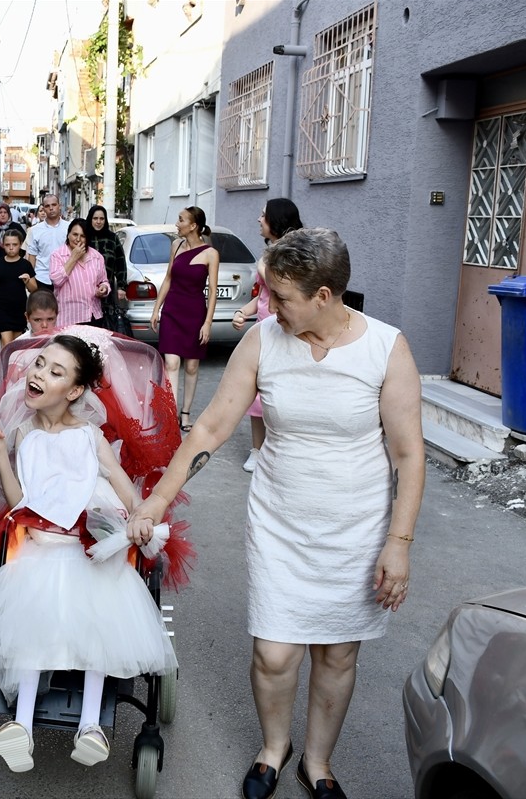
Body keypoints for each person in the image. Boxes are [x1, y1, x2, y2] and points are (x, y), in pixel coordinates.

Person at [128, 228, 424, 799]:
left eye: (280, 296)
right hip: (280, 522)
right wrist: (159, 496)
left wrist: (399, 541)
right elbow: (213, 426)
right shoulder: (264, 340)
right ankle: (273, 748)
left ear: (325, 295)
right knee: (273, 653)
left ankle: (318, 762)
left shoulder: (386, 348)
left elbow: (409, 454)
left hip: (356, 529)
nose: (268, 304)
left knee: (336, 653)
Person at [0, 334, 179, 773]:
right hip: (42, 541)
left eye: (56, 372)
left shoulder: (90, 435)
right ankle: (20, 726)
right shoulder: (22, 433)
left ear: (76, 390)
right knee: (33, 620)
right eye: (39, 364)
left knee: (98, 619)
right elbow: (21, 499)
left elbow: (117, 479)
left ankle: (91, 725)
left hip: (90, 543)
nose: (39, 374)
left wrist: (140, 515)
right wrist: (1, 452)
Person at [232, 198, 303, 472]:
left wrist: (264, 263)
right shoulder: (271, 251)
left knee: (281, 390)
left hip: (286, 330)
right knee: (257, 391)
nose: (259, 220)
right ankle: (257, 450)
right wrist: (243, 312)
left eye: (263, 215)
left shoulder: (292, 252)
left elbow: (278, 283)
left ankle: (280, 449)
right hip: (263, 330)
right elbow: (263, 295)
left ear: (276, 220)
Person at [149, 206, 220, 432]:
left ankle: (185, 413)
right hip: (172, 310)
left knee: (191, 365)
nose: (177, 224)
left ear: (193, 226)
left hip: (195, 313)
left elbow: (213, 290)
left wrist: (207, 323)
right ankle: (171, 413)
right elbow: (169, 278)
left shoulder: (210, 254)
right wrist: (156, 309)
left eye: (181, 220)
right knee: (171, 362)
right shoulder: (176, 245)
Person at [0, 227, 36, 350]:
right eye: (7, 244)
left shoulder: (25, 265)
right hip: (1, 309)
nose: (11, 247)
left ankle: (10, 369)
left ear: (20, 245)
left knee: (16, 347)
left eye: (14, 244)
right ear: (2, 245)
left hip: (19, 310)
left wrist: (27, 281)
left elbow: (34, 289)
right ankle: (4, 368)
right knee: (6, 343)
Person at [50, 218, 110, 329]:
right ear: (68, 235)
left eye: (82, 236)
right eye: (75, 234)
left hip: (93, 316)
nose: (78, 239)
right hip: (69, 319)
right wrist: (73, 258)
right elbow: (57, 280)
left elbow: (104, 281)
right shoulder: (57, 255)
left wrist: (104, 288)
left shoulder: (96, 256)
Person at [86, 205, 128, 333]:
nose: (98, 222)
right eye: (95, 218)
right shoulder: (84, 237)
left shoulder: (112, 238)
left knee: (106, 327)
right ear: (90, 219)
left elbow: (120, 262)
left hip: (107, 291)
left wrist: (121, 287)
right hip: (86, 290)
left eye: (101, 219)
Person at [24, 194, 66, 290]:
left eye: (54, 205)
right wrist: (31, 279)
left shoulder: (69, 228)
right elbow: (32, 256)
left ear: (59, 206)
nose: (51, 208)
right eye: (47, 206)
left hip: (64, 277)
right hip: (42, 278)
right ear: (43, 208)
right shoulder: (35, 230)